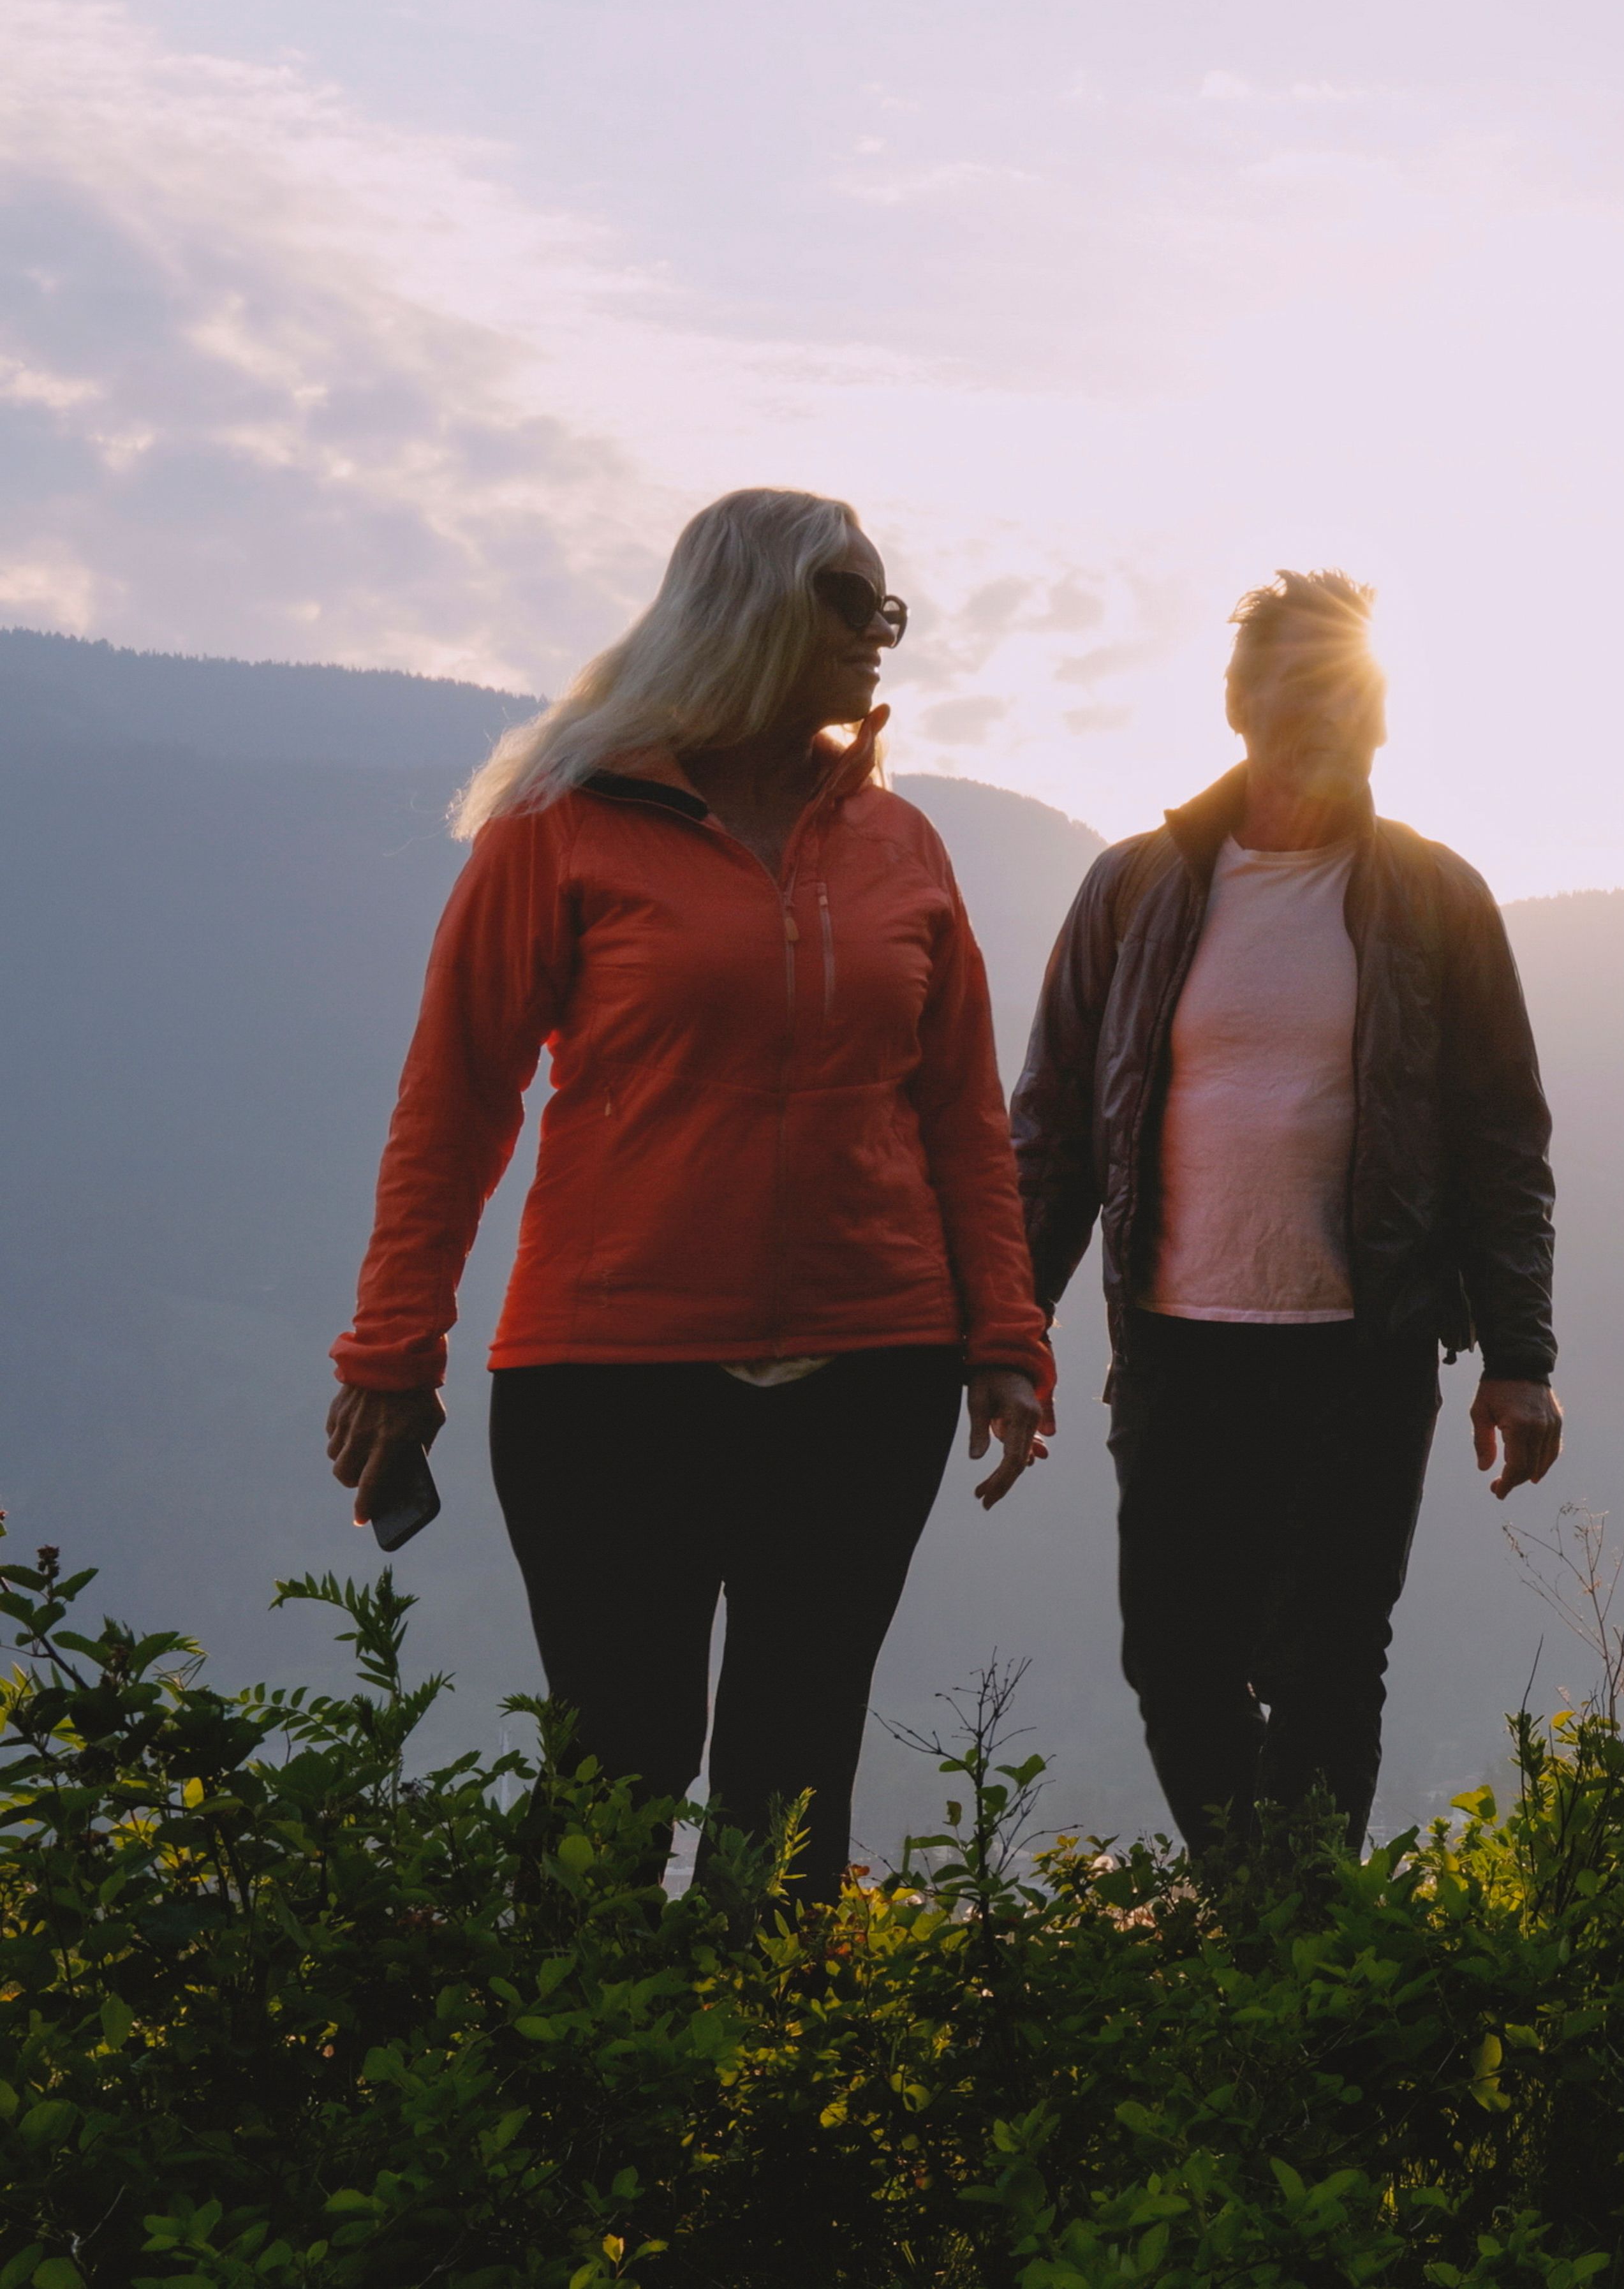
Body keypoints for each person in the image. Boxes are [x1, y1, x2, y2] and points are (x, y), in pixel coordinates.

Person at [325, 487, 1055, 1894]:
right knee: (619, 1754)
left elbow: (963, 1117)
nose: (884, 633)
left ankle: (764, 2096)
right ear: (755, 609)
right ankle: (582, 2100)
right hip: (609, 1371)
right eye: (855, 600)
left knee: (794, 1766)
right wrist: (392, 1348)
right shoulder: (561, 829)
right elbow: (457, 1099)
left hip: (872, 1366)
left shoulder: (903, 848)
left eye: (890, 607)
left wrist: (1006, 1339)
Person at [1010, 568, 1559, 1865]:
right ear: (1238, 703)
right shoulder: (1133, 890)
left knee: (1326, 1662)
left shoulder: (1437, 899)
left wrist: (1520, 1357)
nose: (1326, 716)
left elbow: (1500, 1137)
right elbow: (1051, 1130)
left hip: (1360, 1350)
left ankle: (1291, 1955)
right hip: (1174, 1343)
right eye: (1298, 686)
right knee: (1173, 1656)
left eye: (1350, 690)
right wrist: (1006, 1326)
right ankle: (1255, 1913)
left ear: (1383, 714)